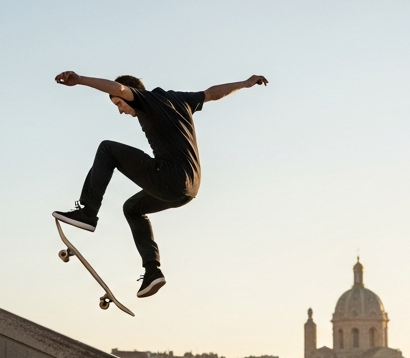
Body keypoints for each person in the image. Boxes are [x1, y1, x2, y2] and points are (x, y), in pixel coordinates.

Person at [52, 71, 269, 297]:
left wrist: (80, 80)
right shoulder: (179, 99)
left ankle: (88, 213)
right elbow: (213, 93)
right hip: (189, 188)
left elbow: (119, 89)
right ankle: (152, 271)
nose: (120, 111)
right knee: (132, 208)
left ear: (128, 95)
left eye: (119, 104)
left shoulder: (144, 99)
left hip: (169, 177)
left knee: (107, 149)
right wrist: (245, 83)